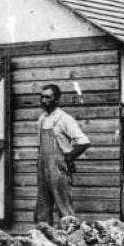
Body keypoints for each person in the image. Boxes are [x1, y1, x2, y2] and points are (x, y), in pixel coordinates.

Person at [34, 84, 91, 225]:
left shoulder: (64, 119)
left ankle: (71, 242)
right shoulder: (41, 120)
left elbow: (83, 142)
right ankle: (44, 241)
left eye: (48, 97)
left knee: (64, 209)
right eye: (42, 96)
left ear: (56, 99)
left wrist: (68, 158)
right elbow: (40, 147)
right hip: (43, 170)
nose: (43, 100)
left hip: (59, 171)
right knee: (42, 210)